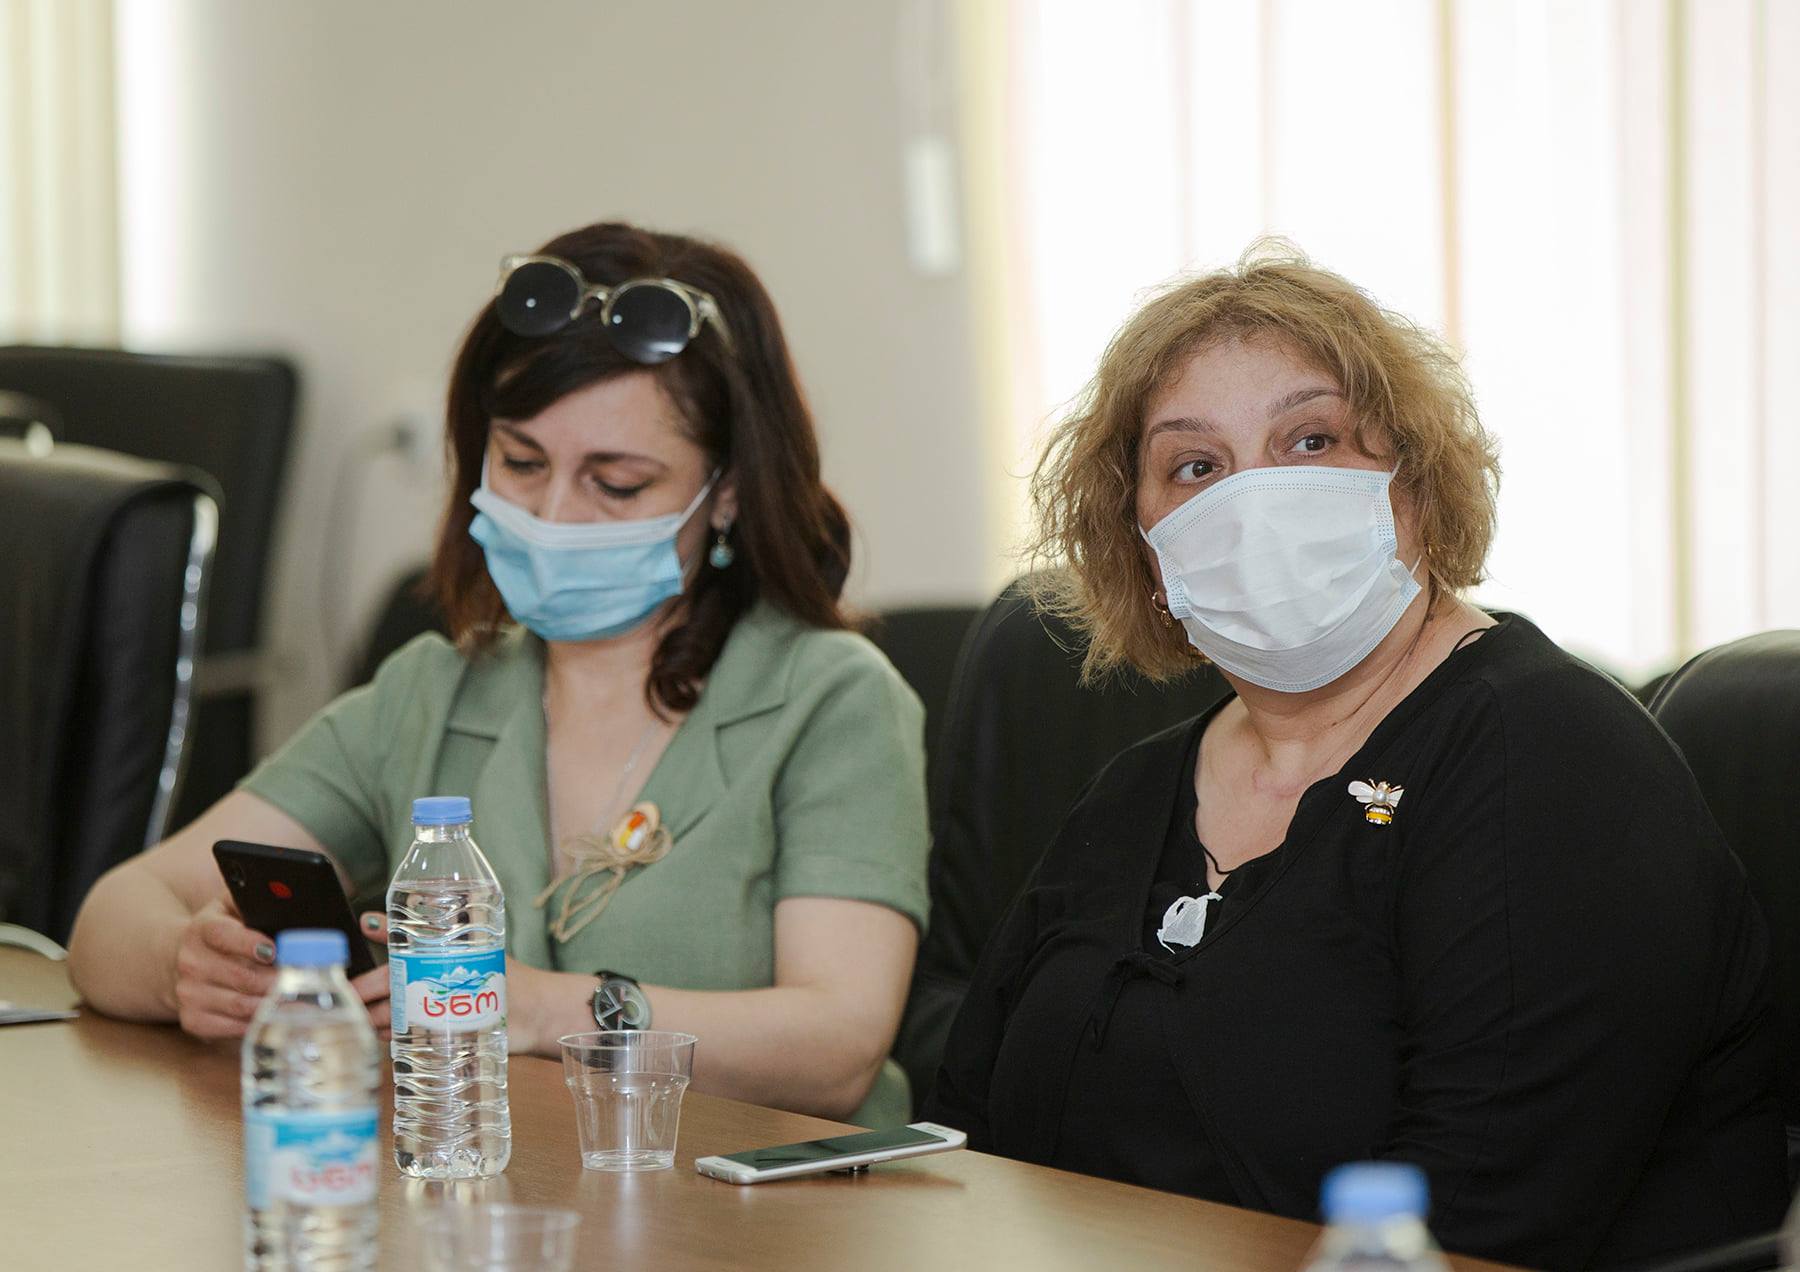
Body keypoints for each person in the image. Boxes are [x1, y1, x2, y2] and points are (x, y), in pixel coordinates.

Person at [924, 246, 1787, 1268]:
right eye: (1196, 467)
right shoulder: (1135, 789)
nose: (1254, 502)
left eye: (1311, 439)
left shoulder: (1553, 763)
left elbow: (1478, 1221)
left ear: (1414, 488)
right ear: (1148, 553)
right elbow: (966, 1133)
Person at [68, 221, 928, 1126]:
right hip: (492, 1189)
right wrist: (184, 965)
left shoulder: (832, 699)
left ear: (729, 491)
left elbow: (838, 1047)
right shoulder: (433, 692)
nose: (553, 514)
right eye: (521, 462)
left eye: (617, 483)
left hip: (764, 1204)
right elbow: (110, 916)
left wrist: (542, 1009)